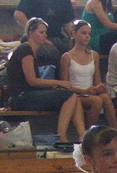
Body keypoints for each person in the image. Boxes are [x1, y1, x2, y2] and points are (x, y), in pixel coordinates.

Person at [8, 17, 86, 148]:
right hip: (21, 97)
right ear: (31, 33)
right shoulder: (25, 50)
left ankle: (82, 135)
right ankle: (61, 136)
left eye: (45, 32)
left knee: (75, 98)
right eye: (41, 32)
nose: (45, 35)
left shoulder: (32, 51)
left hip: (27, 94)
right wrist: (59, 83)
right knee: (70, 96)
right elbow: (32, 81)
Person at [60, 20, 117, 129]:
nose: (87, 36)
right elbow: (65, 86)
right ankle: (90, 132)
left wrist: (100, 87)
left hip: (90, 92)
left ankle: (115, 130)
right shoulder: (67, 57)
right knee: (97, 100)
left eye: (89, 34)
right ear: (74, 34)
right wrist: (85, 91)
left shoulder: (94, 55)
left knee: (105, 97)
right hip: (76, 94)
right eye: (83, 33)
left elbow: (97, 80)